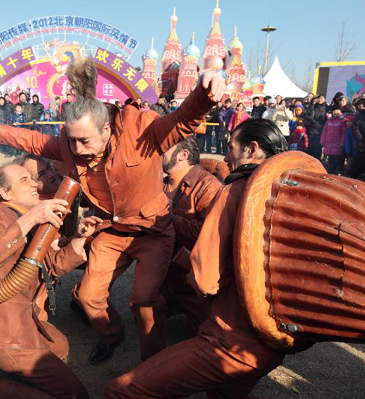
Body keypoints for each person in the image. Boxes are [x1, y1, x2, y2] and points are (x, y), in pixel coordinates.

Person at [0, 56, 224, 363]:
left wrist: (206, 91)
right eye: (72, 140)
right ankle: (112, 335)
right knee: (88, 296)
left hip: (152, 233)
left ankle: (152, 364)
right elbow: (32, 140)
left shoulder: (142, 133)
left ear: (107, 129)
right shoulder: (68, 144)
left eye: (84, 140)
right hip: (110, 230)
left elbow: (183, 119)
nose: (76, 149)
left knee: (144, 300)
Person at [104, 119, 289, 399]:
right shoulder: (288, 195)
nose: (225, 157)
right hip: (274, 335)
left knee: (121, 391)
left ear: (252, 150)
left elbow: (204, 279)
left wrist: (170, 227)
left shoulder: (236, 192)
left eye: (230, 148)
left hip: (229, 337)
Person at [0, 162, 101, 399]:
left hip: (23, 318)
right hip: (4, 332)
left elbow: (52, 265)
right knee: (75, 396)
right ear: (5, 193)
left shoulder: (24, 219)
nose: (34, 183)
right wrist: (32, 217)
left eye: (32, 179)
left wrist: (80, 238)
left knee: (61, 346)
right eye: (24, 180)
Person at [160, 135, 223, 333]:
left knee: (205, 334)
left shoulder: (208, 185)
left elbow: (208, 233)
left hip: (191, 276)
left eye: (165, 149)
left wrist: (169, 218)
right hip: (164, 272)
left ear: (183, 155)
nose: (158, 153)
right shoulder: (160, 181)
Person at [350, 99, 365, 178]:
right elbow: (355, 127)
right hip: (360, 140)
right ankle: (354, 175)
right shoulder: (360, 115)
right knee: (358, 159)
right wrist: (360, 139)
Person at [321, 108, 347, 174]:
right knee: (330, 157)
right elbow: (324, 131)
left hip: (337, 143)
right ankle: (331, 170)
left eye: (338, 111)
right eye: (334, 111)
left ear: (340, 112)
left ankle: (338, 170)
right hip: (329, 143)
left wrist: (342, 142)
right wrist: (322, 140)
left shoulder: (342, 121)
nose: (336, 112)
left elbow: (344, 133)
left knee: (338, 158)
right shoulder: (329, 121)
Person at [305, 95, 327, 160]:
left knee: (318, 146)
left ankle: (317, 160)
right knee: (311, 146)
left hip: (321, 129)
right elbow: (308, 116)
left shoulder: (327, 108)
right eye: (319, 98)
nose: (320, 100)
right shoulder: (313, 107)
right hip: (312, 128)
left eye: (322, 98)